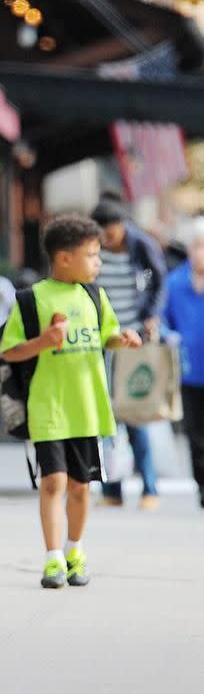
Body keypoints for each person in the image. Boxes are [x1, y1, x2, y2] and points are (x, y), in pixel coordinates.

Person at [0, 215, 141, 589]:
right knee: (53, 482)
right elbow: (10, 351)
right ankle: (52, 559)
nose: (98, 263)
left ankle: (75, 549)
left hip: (86, 407)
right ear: (64, 258)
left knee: (81, 486)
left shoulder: (95, 296)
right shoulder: (32, 300)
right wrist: (43, 342)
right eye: (92, 255)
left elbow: (107, 333)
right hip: (48, 408)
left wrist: (121, 338)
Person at [91, 192, 167, 510]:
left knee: (134, 414)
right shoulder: (91, 249)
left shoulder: (140, 245)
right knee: (107, 417)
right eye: (101, 235)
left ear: (122, 226)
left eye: (111, 234)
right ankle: (112, 490)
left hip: (133, 340)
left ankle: (149, 488)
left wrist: (151, 316)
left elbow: (159, 281)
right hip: (101, 341)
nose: (107, 241)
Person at [164, 217, 204, 508]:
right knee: (195, 435)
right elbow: (163, 320)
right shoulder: (175, 282)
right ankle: (202, 486)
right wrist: (169, 337)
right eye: (197, 246)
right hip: (190, 371)